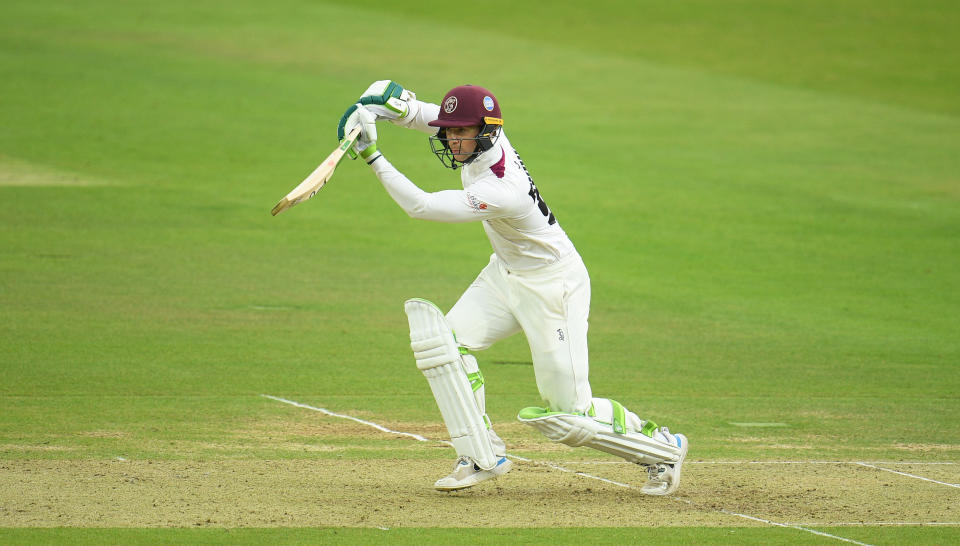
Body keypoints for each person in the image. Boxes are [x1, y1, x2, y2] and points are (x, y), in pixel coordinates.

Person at [337, 81, 688, 495]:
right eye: (450, 132)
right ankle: (482, 455)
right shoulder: (481, 134)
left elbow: (422, 206)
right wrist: (379, 103)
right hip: (505, 273)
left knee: (567, 416)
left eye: (460, 133)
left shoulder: (504, 189)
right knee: (444, 345)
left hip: (553, 287)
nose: (451, 140)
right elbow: (421, 114)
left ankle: (662, 449)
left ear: (483, 134)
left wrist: (371, 155)